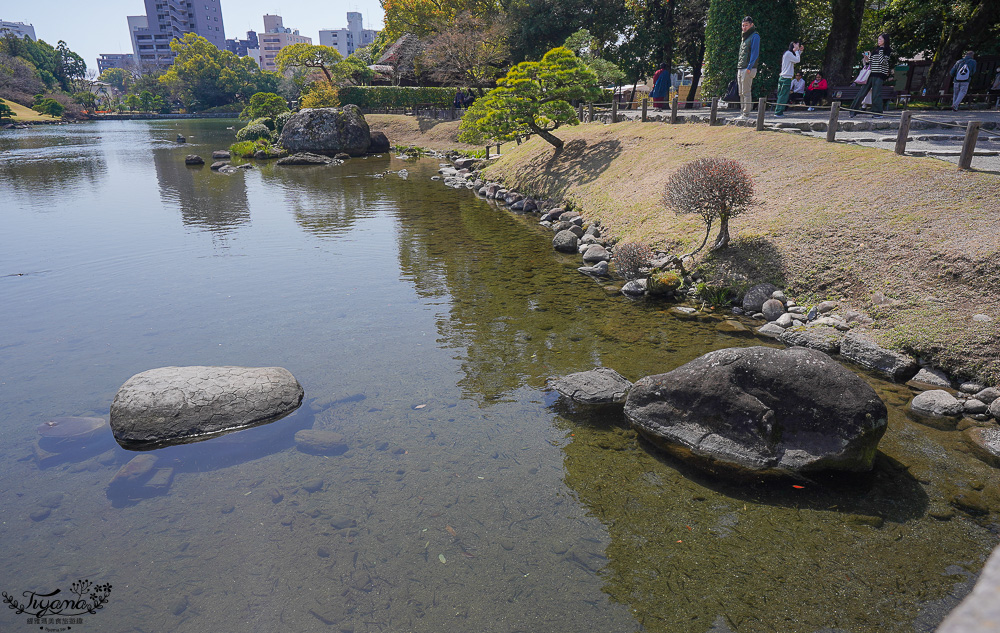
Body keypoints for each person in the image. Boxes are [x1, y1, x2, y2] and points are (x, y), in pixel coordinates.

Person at [849, 33, 891, 118]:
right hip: (870, 74)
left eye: (880, 39)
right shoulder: (875, 50)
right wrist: (866, 59)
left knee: (876, 94)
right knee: (861, 92)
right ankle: (853, 111)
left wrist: (881, 50)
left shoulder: (887, 50)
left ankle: (878, 113)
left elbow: (882, 61)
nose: (878, 41)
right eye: (878, 39)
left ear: (885, 40)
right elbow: (870, 63)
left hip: (880, 75)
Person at [735, 15, 760, 120]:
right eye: (743, 25)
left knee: (746, 92)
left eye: (746, 25)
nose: (744, 27)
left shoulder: (755, 36)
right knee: (741, 92)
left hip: (748, 68)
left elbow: (755, 53)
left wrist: (749, 67)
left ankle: (746, 114)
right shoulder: (744, 37)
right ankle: (742, 112)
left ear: (751, 25)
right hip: (741, 67)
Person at [775, 41, 803, 116]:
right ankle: (778, 112)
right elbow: (797, 60)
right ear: (793, 45)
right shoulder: (788, 53)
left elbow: (794, 59)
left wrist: (799, 51)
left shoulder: (787, 53)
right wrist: (797, 51)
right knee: (783, 96)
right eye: (797, 45)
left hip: (783, 77)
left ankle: (778, 111)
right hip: (786, 78)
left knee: (782, 95)